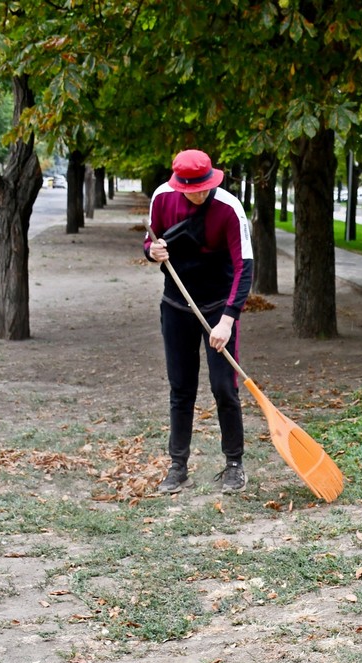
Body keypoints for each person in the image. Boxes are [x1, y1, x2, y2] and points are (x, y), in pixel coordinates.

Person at [143, 150, 254, 493]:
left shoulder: (229, 208)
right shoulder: (162, 198)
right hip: (176, 304)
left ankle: (234, 464)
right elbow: (151, 241)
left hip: (217, 307)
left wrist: (227, 320)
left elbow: (244, 267)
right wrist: (152, 251)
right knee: (181, 388)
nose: (198, 194)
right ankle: (178, 466)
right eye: (191, 189)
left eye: (204, 187)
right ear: (178, 185)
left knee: (224, 387)